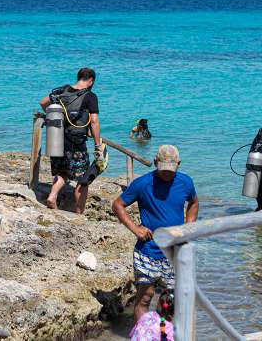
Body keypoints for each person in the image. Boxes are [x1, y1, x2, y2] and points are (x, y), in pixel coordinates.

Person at [112, 145, 199, 325]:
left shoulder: (185, 182)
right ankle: (142, 335)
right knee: (145, 297)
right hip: (147, 252)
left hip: (174, 252)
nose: (167, 174)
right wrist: (135, 228)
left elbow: (194, 202)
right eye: (163, 169)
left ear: (179, 164)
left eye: (171, 170)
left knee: (170, 300)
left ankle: (163, 334)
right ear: (154, 163)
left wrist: (188, 228)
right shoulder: (142, 184)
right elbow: (118, 205)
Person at [39, 68, 102, 214]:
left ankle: (52, 196)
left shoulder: (62, 90)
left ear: (79, 77)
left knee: (63, 171)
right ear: (91, 81)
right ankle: (79, 213)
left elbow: (43, 103)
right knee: (83, 179)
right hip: (76, 141)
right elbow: (94, 121)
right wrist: (98, 145)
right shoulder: (90, 96)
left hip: (56, 137)